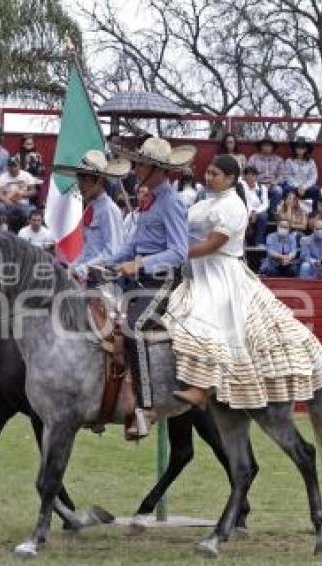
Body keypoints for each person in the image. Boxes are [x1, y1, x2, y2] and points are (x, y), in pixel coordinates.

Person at [168, 154, 322, 410]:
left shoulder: (233, 206)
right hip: (197, 271)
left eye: (215, 174)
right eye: (208, 172)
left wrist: (177, 252)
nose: (208, 177)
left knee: (205, 320)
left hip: (221, 271)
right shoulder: (205, 202)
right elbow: (182, 225)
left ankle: (201, 387)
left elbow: (214, 244)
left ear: (231, 178)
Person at [105, 138, 193, 438]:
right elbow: (132, 245)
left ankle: (146, 407)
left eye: (140, 163)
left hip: (163, 280)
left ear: (154, 169)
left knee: (132, 326)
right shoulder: (150, 200)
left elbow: (180, 251)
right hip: (139, 280)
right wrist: (109, 262)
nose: (135, 167)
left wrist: (140, 263)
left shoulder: (172, 202)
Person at [51, 149, 129, 276]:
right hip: (87, 276)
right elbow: (88, 250)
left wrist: (80, 269)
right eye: (79, 179)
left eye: (85, 180)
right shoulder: (90, 207)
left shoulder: (109, 209)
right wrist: (72, 267)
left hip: (102, 281)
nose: (80, 185)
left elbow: (113, 252)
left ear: (99, 181)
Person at [0, 157, 39, 224]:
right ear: (7, 167)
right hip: (7, 204)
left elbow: (34, 191)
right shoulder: (1, 178)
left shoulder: (27, 176)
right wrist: (6, 200)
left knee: (32, 210)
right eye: (11, 166)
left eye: (15, 166)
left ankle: (29, 229)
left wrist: (22, 194)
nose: (13, 169)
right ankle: (3, 226)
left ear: (19, 166)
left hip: (23, 204)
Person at [282, 136, 320, 212]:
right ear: (294, 148)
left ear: (306, 149)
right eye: (297, 147)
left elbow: (313, 177)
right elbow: (287, 176)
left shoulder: (311, 162)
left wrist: (304, 187)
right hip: (293, 187)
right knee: (286, 189)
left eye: (302, 147)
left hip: (307, 187)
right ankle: (286, 212)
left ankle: (314, 213)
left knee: (316, 189)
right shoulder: (289, 161)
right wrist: (298, 186)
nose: (299, 149)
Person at [247, 137, 285, 211]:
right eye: (264, 145)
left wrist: (272, 183)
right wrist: (258, 183)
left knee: (278, 190)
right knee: (251, 191)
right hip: (257, 184)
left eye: (269, 145)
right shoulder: (253, 158)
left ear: (272, 147)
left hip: (272, 185)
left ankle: (271, 211)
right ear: (260, 146)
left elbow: (282, 176)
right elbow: (248, 173)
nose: (266, 147)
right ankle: (258, 211)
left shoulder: (279, 160)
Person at [240, 165, 268, 245]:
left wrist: (255, 212)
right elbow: (244, 202)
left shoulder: (262, 188)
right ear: (244, 176)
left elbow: (265, 204)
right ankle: (242, 241)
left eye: (253, 175)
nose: (251, 177)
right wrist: (250, 212)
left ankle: (259, 241)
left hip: (258, 212)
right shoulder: (241, 187)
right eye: (248, 175)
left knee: (263, 216)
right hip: (245, 211)